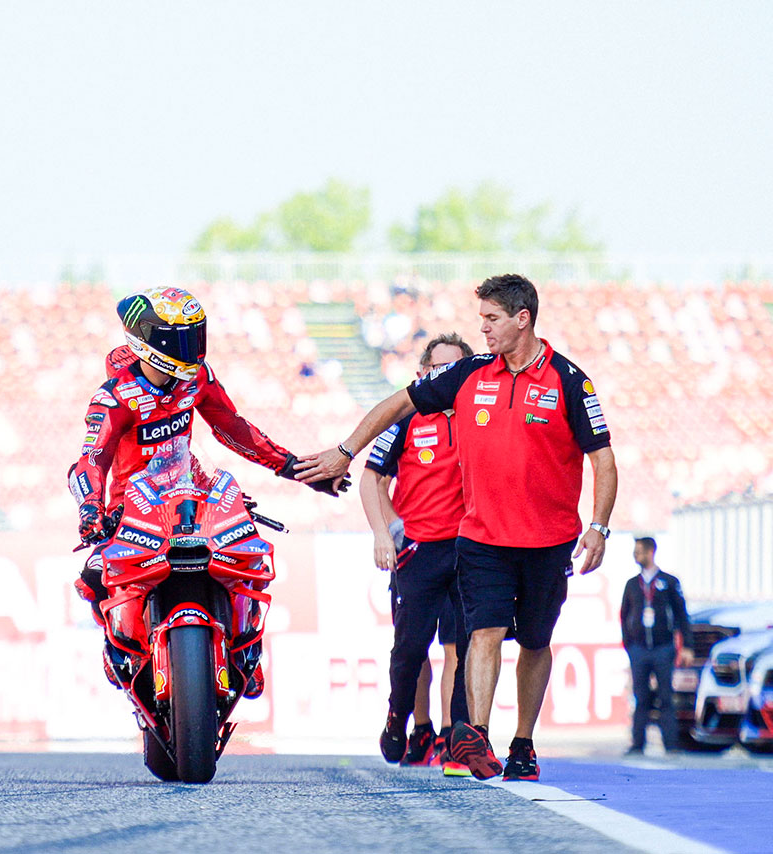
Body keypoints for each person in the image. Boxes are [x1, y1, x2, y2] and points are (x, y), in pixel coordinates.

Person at [295, 273, 618, 782]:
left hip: (547, 540)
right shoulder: (467, 374)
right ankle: (475, 738)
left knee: (534, 641)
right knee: (482, 633)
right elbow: (400, 402)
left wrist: (598, 526)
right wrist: (345, 450)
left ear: (522, 319)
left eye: (492, 319)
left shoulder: (570, 381)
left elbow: (602, 458)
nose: (484, 329)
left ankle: (524, 743)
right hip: (481, 538)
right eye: (481, 319)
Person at [68, 286, 339, 694]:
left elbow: (232, 427)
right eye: (181, 338)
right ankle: (117, 645)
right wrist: (90, 510)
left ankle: (246, 648)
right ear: (149, 340)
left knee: (248, 552)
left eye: (197, 334)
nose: (194, 348)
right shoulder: (115, 397)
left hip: (192, 491)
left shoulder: (198, 378)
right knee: (94, 573)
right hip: (133, 509)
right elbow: (91, 459)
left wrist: (291, 466)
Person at [360, 333, 473, 774]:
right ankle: (405, 719)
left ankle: (454, 734)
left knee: (462, 646)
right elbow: (372, 480)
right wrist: (386, 532)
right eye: (437, 370)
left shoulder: (477, 418)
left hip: (467, 551)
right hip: (418, 552)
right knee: (411, 648)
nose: (445, 377)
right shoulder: (406, 418)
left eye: (455, 369)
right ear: (423, 374)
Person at [621, 536, 692, 755]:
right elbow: (624, 615)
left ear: (651, 552)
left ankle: (670, 743)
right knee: (640, 696)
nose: (636, 555)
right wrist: (629, 645)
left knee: (665, 695)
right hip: (639, 649)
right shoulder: (633, 584)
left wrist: (687, 645)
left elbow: (681, 614)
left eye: (639, 551)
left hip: (663, 648)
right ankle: (637, 743)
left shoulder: (669, 582)